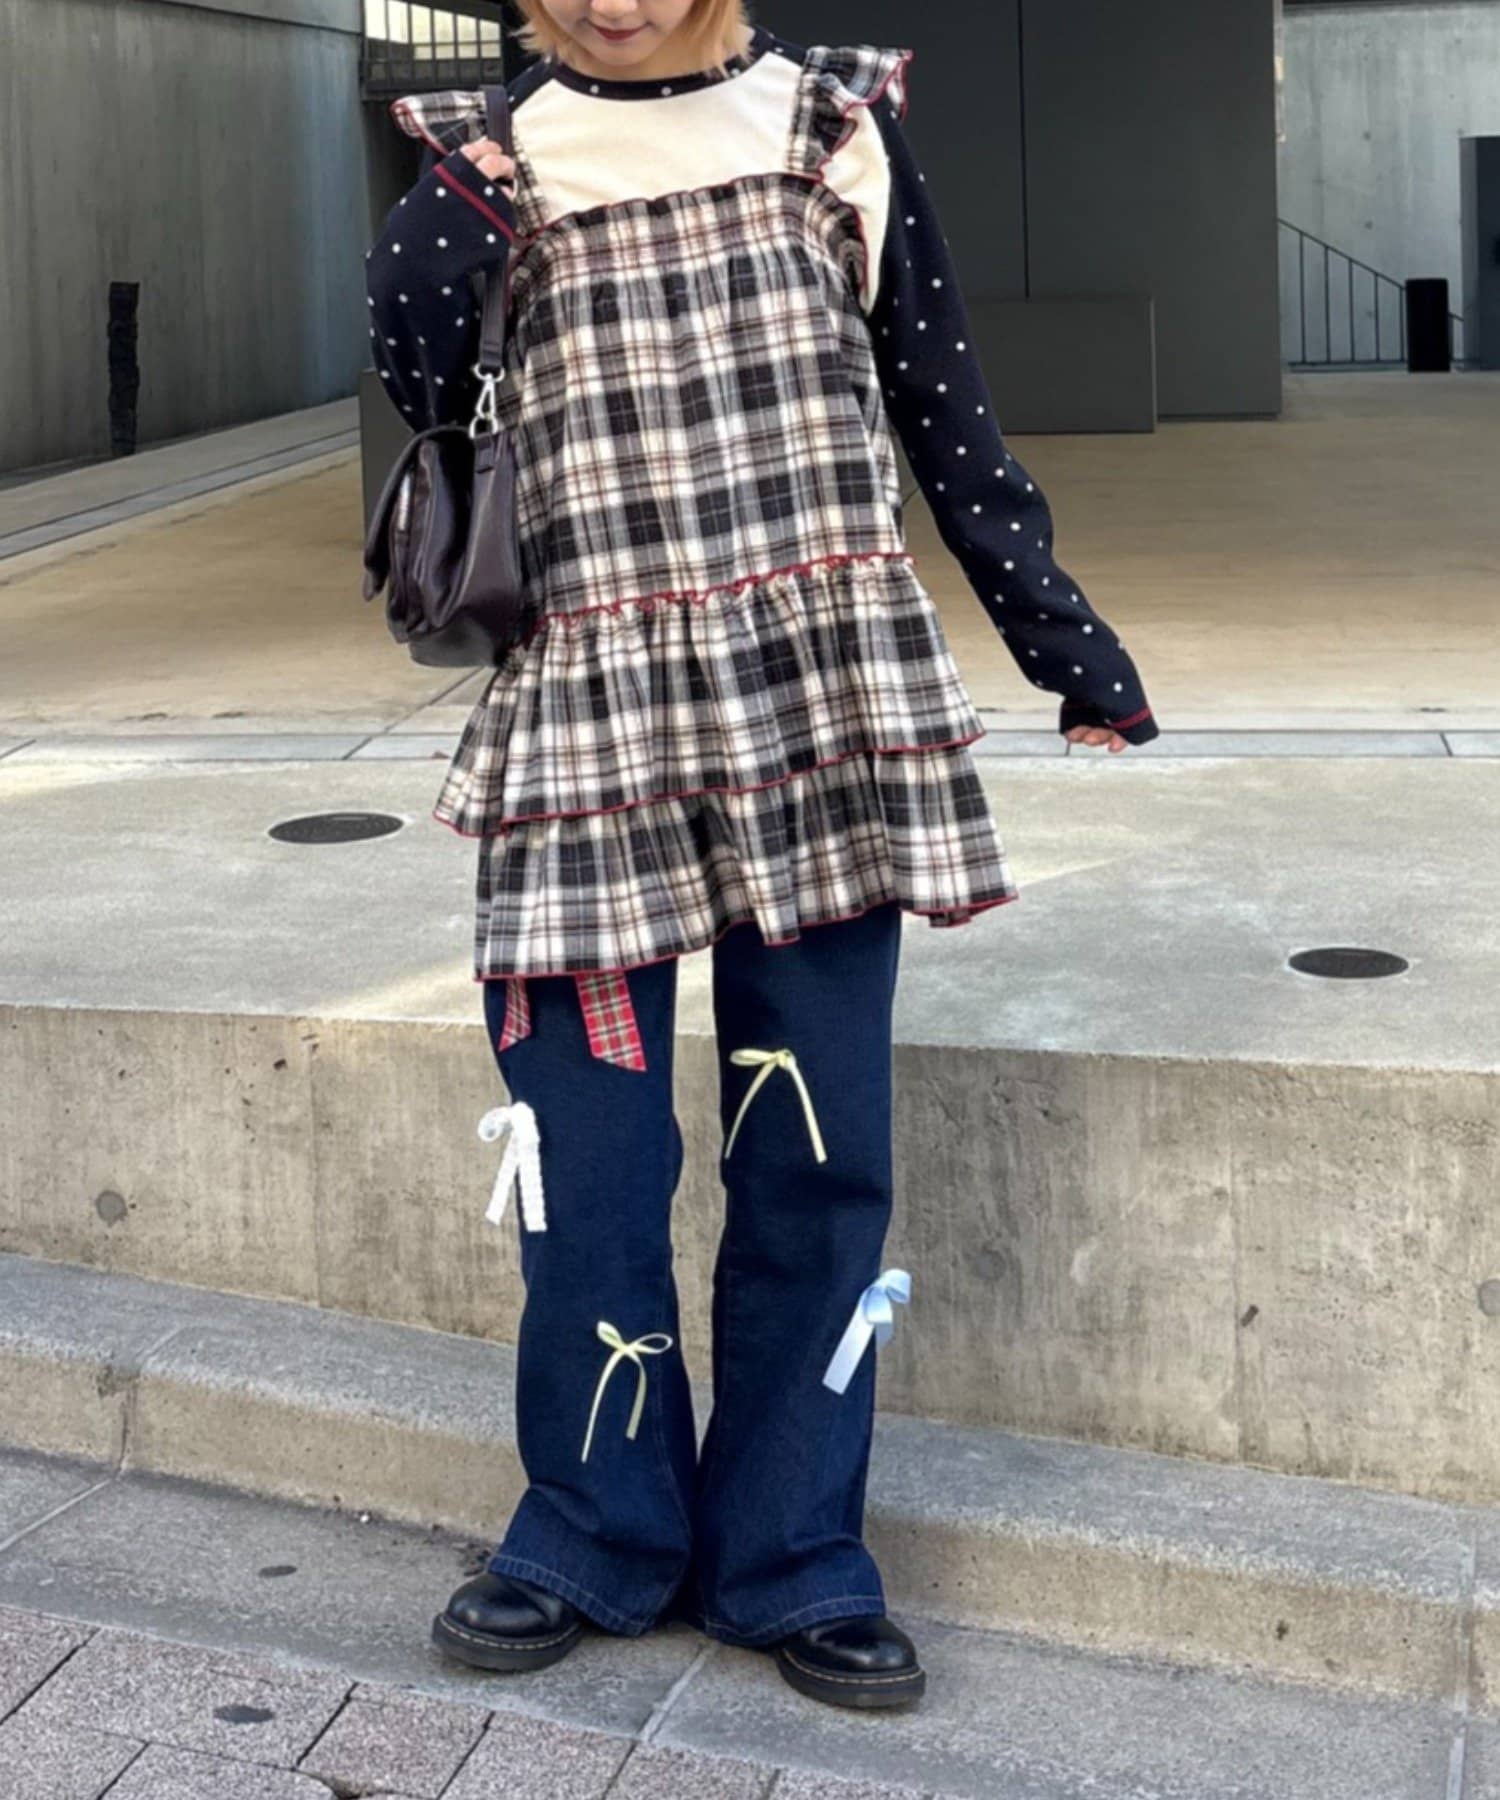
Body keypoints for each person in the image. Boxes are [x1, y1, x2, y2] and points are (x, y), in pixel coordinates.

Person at [364, 0, 1159, 1711]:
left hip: (820, 705)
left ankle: (794, 1551)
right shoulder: (486, 163)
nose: (615, 1)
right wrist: (435, 249)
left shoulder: (831, 128)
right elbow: (435, 406)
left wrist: (1063, 639)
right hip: (584, 717)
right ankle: (592, 1528)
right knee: (583, 1161)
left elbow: (944, 407)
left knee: (815, 1153)